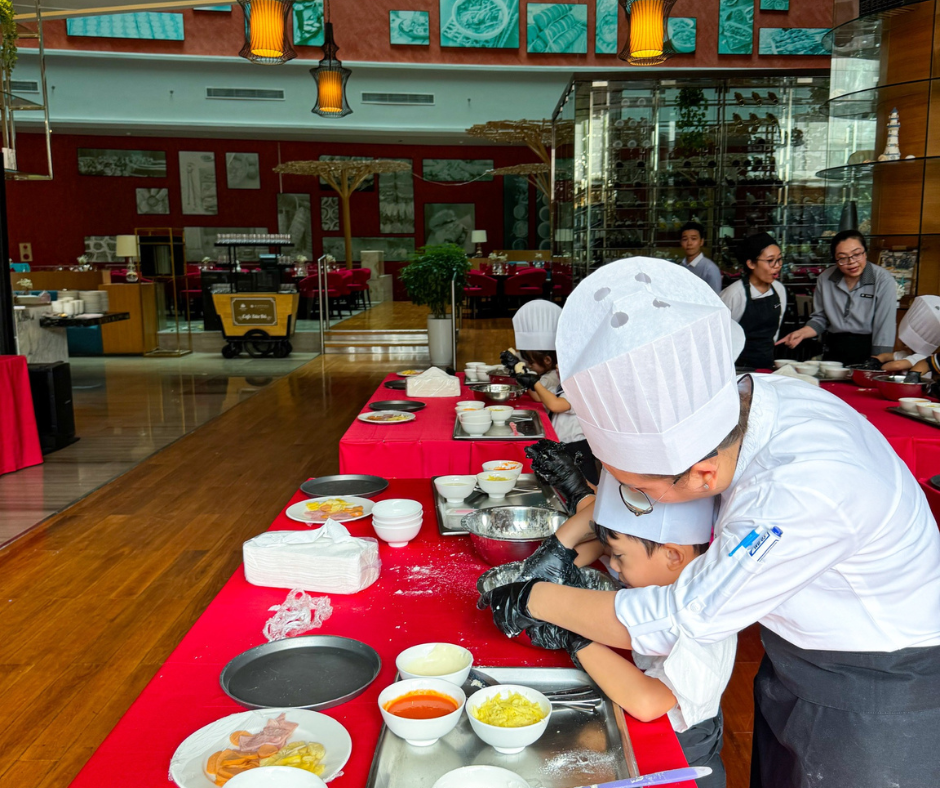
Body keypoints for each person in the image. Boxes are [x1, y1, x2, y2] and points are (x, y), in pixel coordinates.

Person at [481, 257, 940, 788]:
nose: (638, 499)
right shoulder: (745, 406)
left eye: (643, 490)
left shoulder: (798, 492)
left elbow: (682, 615)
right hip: (795, 659)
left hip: (875, 687)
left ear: (700, 475)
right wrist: (570, 534)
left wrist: (537, 598)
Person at [525, 475, 733, 788]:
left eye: (619, 558)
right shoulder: (662, 570)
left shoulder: (704, 619)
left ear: (673, 555)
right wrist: (559, 556)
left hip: (684, 756)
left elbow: (648, 703)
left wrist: (574, 638)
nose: (614, 567)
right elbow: (596, 551)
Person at [501, 300, 599, 485]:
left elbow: (555, 404)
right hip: (564, 444)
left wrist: (533, 381)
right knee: (569, 487)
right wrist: (522, 376)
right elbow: (540, 396)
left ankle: (593, 512)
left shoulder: (580, 385)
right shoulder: (563, 379)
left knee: (586, 487)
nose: (556, 368)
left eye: (561, 364)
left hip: (578, 446)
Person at [776, 230, 897, 365]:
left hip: (868, 349)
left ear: (865, 252)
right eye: (842, 257)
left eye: (857, 254)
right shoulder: (826, 278)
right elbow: (820, 318)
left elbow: (884, 326)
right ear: (835, 258)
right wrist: (802, 333)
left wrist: (878, 361)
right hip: (833, 348)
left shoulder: (882, 279)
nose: (851, 262)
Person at [720, 233, 786, 369]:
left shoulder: (779, 290)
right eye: (770, 260)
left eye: (779, 259)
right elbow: (719, 337)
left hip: (766, 365)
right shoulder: (734, 294)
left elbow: (776, 330)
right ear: (751, 263)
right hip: (736, 369)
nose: (777, 266)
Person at [875, 294, 940, 373]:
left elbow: (896, 365)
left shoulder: (921, 357)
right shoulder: (904, 354)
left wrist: (878, 367)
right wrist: (876, 359)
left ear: (905, 343)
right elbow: (886, 356)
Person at [680, 222, 722, 294]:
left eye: (693, 239)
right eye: (685, 239)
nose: (689, 243)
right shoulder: (680, 267)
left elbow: (715, 299)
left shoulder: (710, 269)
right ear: (681, 242)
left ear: (701, 242)